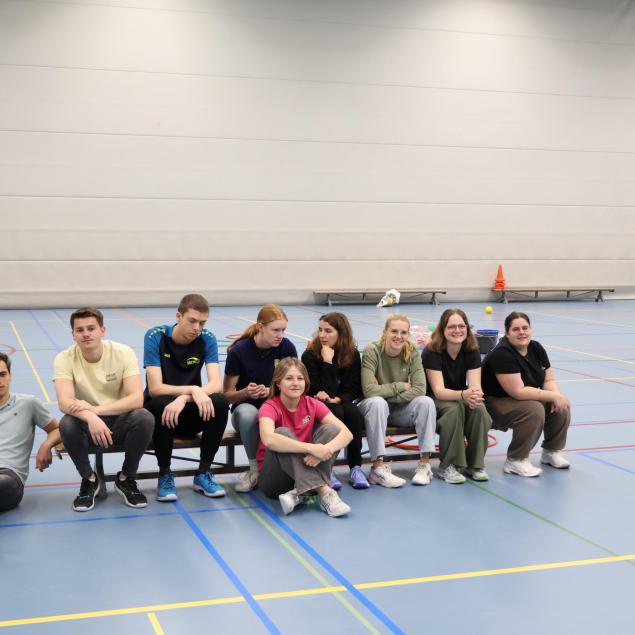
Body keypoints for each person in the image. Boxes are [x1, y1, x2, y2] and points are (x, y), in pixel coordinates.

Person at [54, 307, 154, 511]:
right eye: (80, 330)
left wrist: (95, 410)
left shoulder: (122, 353)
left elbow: (136, 399)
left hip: (119, 422)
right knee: (67, 423)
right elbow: (64, 402)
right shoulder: (64, 358)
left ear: (102, 330)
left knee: (144, 417)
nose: (86, 334)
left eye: (91, 328)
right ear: (73, 334)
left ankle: (126, 478)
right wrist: (91, 417)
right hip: (87, 425)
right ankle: (89, 479)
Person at [143, 294, 230, 501]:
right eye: (192, 321)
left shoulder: (207, 338)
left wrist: (184, 398)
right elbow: (155, 388)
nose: (197, 328)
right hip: (162, 416)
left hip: (188, 413)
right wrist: (192, 389)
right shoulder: (155, 336)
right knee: (161, 403)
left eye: (202, 323)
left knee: (220, 401)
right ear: (178, 316)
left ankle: (203, 473)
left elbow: (216, 384)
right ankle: (165, 474)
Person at [257, 357, 353, 517]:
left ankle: (298, 494)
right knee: (281, 434)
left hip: (303, 471)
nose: (295, 383)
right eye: (289, 378)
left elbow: (347, 434)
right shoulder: (269, 407)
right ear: (278, 383)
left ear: (306, 382)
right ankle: (324, 491)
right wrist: (312, 448)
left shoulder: (312, 403)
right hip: (275, 480)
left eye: (300, 378)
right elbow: (269, 439)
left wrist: (325, 450)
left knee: (331, 430)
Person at [482, 311, 571, 477]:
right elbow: (518, 391)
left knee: (561, 404)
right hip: (493, 403)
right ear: (507, 333)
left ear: (530, 329)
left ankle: (551, 452)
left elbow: (548, 379)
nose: (522, 332)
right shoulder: (502, 353)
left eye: (525, 328)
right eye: (516, 329)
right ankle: (515, 460)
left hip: (520, 398)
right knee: (533, 410)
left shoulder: (536, 348)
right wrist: (553, 396)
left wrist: (556, 396)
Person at [223, 304, 297, 493]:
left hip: (276, 408)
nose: (280, 335)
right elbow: (227, 396)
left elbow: (297, 385)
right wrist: (246, 393)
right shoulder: (239, 351)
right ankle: (254, 470)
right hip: (246, 413)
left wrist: (271, 392)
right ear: (260, 327)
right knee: (250, 413)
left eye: (283, 330)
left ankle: (295, 469)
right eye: (275, 330)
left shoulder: (287, 347)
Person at [358, 314, 437, 487]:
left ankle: (425, 465)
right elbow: (369, 390)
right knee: (377, 402)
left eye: (403, 332)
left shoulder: (412, 352)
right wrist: (401, 386)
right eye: (394, 331)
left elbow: (420, 389)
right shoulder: (372, 350)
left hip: (400, 410)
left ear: (408, 334)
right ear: (385, 332)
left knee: (426, 402)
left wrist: (385, 392)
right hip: (375, 409)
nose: (398, 336)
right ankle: (378, 469)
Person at [421, 309, 492, 483]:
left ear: (467, 328)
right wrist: (463, 394)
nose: (457, 330)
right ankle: (448, 466)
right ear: (442, 329)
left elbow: (475, 386)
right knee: (453, 410)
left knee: (479, 410)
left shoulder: (472, 350)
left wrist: (475, 397)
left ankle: (475, 464)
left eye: (461, 326)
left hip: (460, 395)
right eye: (452, 326)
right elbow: (439, 391)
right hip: (434, 399)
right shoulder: (431, 352)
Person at [301, 312, 369, 489]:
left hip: (339, 400)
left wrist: (338, 398)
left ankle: (355, 467)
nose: (322, 335)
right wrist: (327, 362)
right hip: (315, 404)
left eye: (328, 331)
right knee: (335, 412)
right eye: (320, 330)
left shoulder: (352, 354)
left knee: (353, 414)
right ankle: (327, 468)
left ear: (341, 333)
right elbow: (318, 390)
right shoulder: (309, 355)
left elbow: (353, 386)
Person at [0, 353, 60, 511]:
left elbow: (57, 429)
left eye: (2, 374)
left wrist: (46, 445)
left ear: (10, 376)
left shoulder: (28, 404)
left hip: (9, 477)